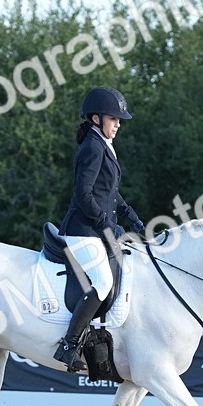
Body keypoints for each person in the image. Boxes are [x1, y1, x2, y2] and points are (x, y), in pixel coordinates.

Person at [53, 86, 146, 373]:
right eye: (113, 118)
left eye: (119, 120)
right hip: (82, 230)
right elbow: (83, 195)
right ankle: (68, 345)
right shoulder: (93, 147)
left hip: (94, 228)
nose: (118, 124)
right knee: (103, 283)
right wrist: (106, 223)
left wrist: (131, 216)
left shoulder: (103, 144)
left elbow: (109, 192)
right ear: (96, 118)